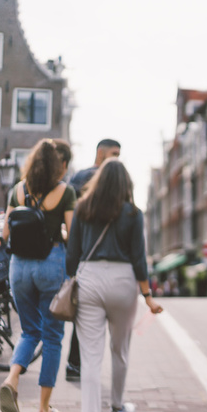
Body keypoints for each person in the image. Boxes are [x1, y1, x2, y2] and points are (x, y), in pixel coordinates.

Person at [66, 158, 163, 412]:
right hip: (123, 281)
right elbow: (138, 259)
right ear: (126, 184)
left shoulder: (83, 208)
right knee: (119, 350)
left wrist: (71, 281)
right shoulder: (133, 213)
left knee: (90, 356)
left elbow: (72, 254)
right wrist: (147, 297)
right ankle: (117, 408)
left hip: (90, 279)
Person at [0, 139, 77, 412]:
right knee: (53, 337)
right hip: (50, 265)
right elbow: (74, 233)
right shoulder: (64, 191)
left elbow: (6, 234)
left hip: (18, 268)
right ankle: (44, 409)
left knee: (29, 331)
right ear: (58, 165)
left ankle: (12, 378)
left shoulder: (17, 190)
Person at [65, 138, 121, 382]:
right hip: (100, 256)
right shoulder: (112, 181)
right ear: (100, 153)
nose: (117, 159)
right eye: (113, 153)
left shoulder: (77, 179)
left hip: (81, 254)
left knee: (83, 312)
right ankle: (87, 367)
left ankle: (74, 364)